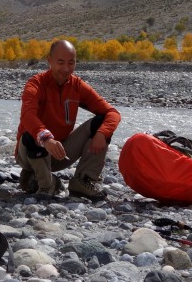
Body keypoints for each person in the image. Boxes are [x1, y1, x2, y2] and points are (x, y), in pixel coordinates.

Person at [16, 39, 121, 200]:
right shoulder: (36, 84)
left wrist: (102, 133)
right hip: (30, 152)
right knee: (33, 132)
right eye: (60, 62)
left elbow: (112, 113)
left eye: (71, 63)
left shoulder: (77, 86)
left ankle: (84, 180)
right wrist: (46, 138)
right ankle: (45, 186)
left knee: (102, 122)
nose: (66, 69)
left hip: (60, 153)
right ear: (49, 60)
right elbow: (27, 115)